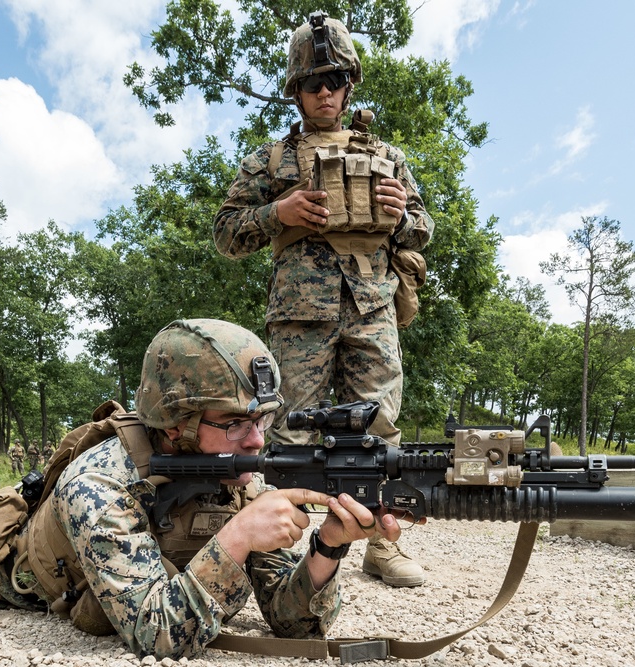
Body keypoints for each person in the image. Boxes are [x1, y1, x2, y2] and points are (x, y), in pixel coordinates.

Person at [0, 319, 405, 660]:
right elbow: (156, 633)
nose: (256, 442)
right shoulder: (100, 480)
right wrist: (234, 539)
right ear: (174, 422)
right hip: (9, 569)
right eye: (232, 424)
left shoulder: (242, 470)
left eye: (259, 421)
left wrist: (328, 546)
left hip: (136, 573)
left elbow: (294, 622)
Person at [213, 12, 434, 588]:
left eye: (336, 80)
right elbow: (226, 232)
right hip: (298, 318)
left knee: (380, 433)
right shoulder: (272, 160)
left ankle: (383, 546)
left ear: (350, 83)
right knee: (290, 437)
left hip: (371, 307)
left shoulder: (387, 156)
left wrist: (402, 214)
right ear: (296, 91)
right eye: (314, 83)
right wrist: (275, 213)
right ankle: (284, 551)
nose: (326, 92)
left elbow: (424, 228)